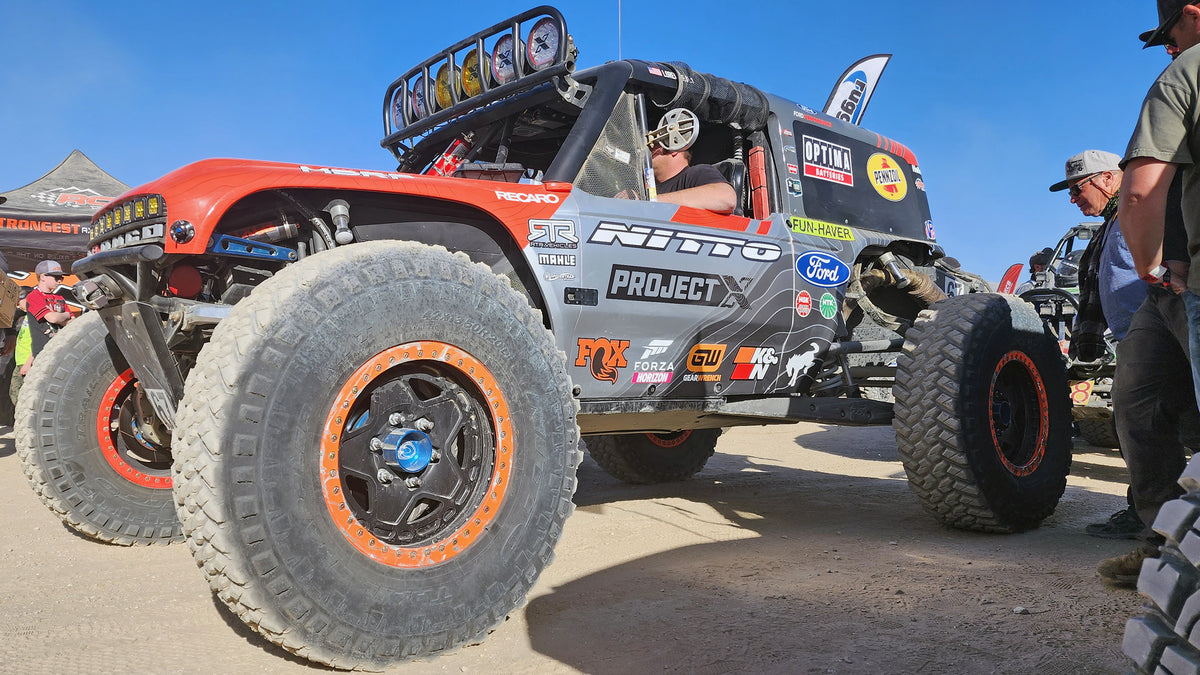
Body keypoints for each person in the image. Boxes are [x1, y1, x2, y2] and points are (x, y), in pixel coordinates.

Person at [1096, 6, 1200, 585]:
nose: (1169, 47)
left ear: (1193, 12)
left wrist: (1150, 263)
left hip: (1181, 279)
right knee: (1136, 400)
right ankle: (1165, 539)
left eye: (1171, 34)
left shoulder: (1186, 72)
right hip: (1166, 289)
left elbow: (1141, 190)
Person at [20, 260, 73, 379]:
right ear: (43, 276)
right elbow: (53, 318)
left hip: (60, 351)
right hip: (42, 355)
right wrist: (64, 316)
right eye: (56, 277)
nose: (60, 280)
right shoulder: (34, 296)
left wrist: (61, 316)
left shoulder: (59, 297)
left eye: (61, 278)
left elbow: (73, 322)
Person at [651, 144, 738, 214]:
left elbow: (726, 197)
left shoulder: (698, 172)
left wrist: (651, 202)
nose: (647, 150)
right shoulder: (645, 187)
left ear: (674, 149)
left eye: (653, 144)